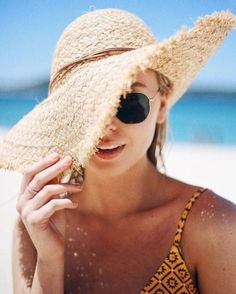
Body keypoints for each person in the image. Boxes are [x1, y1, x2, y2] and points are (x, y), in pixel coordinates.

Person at [0, 8, 235, 294]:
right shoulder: (35, 228)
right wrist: (50, 262)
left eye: (129, 102)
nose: (106, 125)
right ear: (64, 115)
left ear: (161, 105)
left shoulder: (216, 226)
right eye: (87, 106)